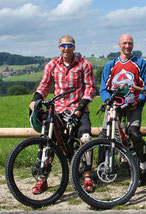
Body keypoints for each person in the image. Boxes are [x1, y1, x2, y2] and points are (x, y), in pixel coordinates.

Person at [29, 35, 96, 194]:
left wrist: (79, 109)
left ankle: (88, 176)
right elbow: (44, 86)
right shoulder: (52, 65)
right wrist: (35, 101)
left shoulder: (84, 64)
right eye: (63, 45)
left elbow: (90, 89)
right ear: (59, 47)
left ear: (74, 47)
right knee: (47, 139)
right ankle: (42, 179)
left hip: (78, 108)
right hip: (58, 108)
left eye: (69, 45)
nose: (66, 48)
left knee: (85, 137)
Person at [99, 33, 146, 186]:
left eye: (130, 43)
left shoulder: (141, 63)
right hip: (114, 105)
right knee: (104, 135)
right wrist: (107, 101)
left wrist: (139, 100)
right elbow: (104, 88)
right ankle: (101, 168)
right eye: (124, 43)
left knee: (133, 133)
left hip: (133, 104)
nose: (127, 46)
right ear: (119, 44)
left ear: (133, 45)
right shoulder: (110, 65)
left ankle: (142, 164)